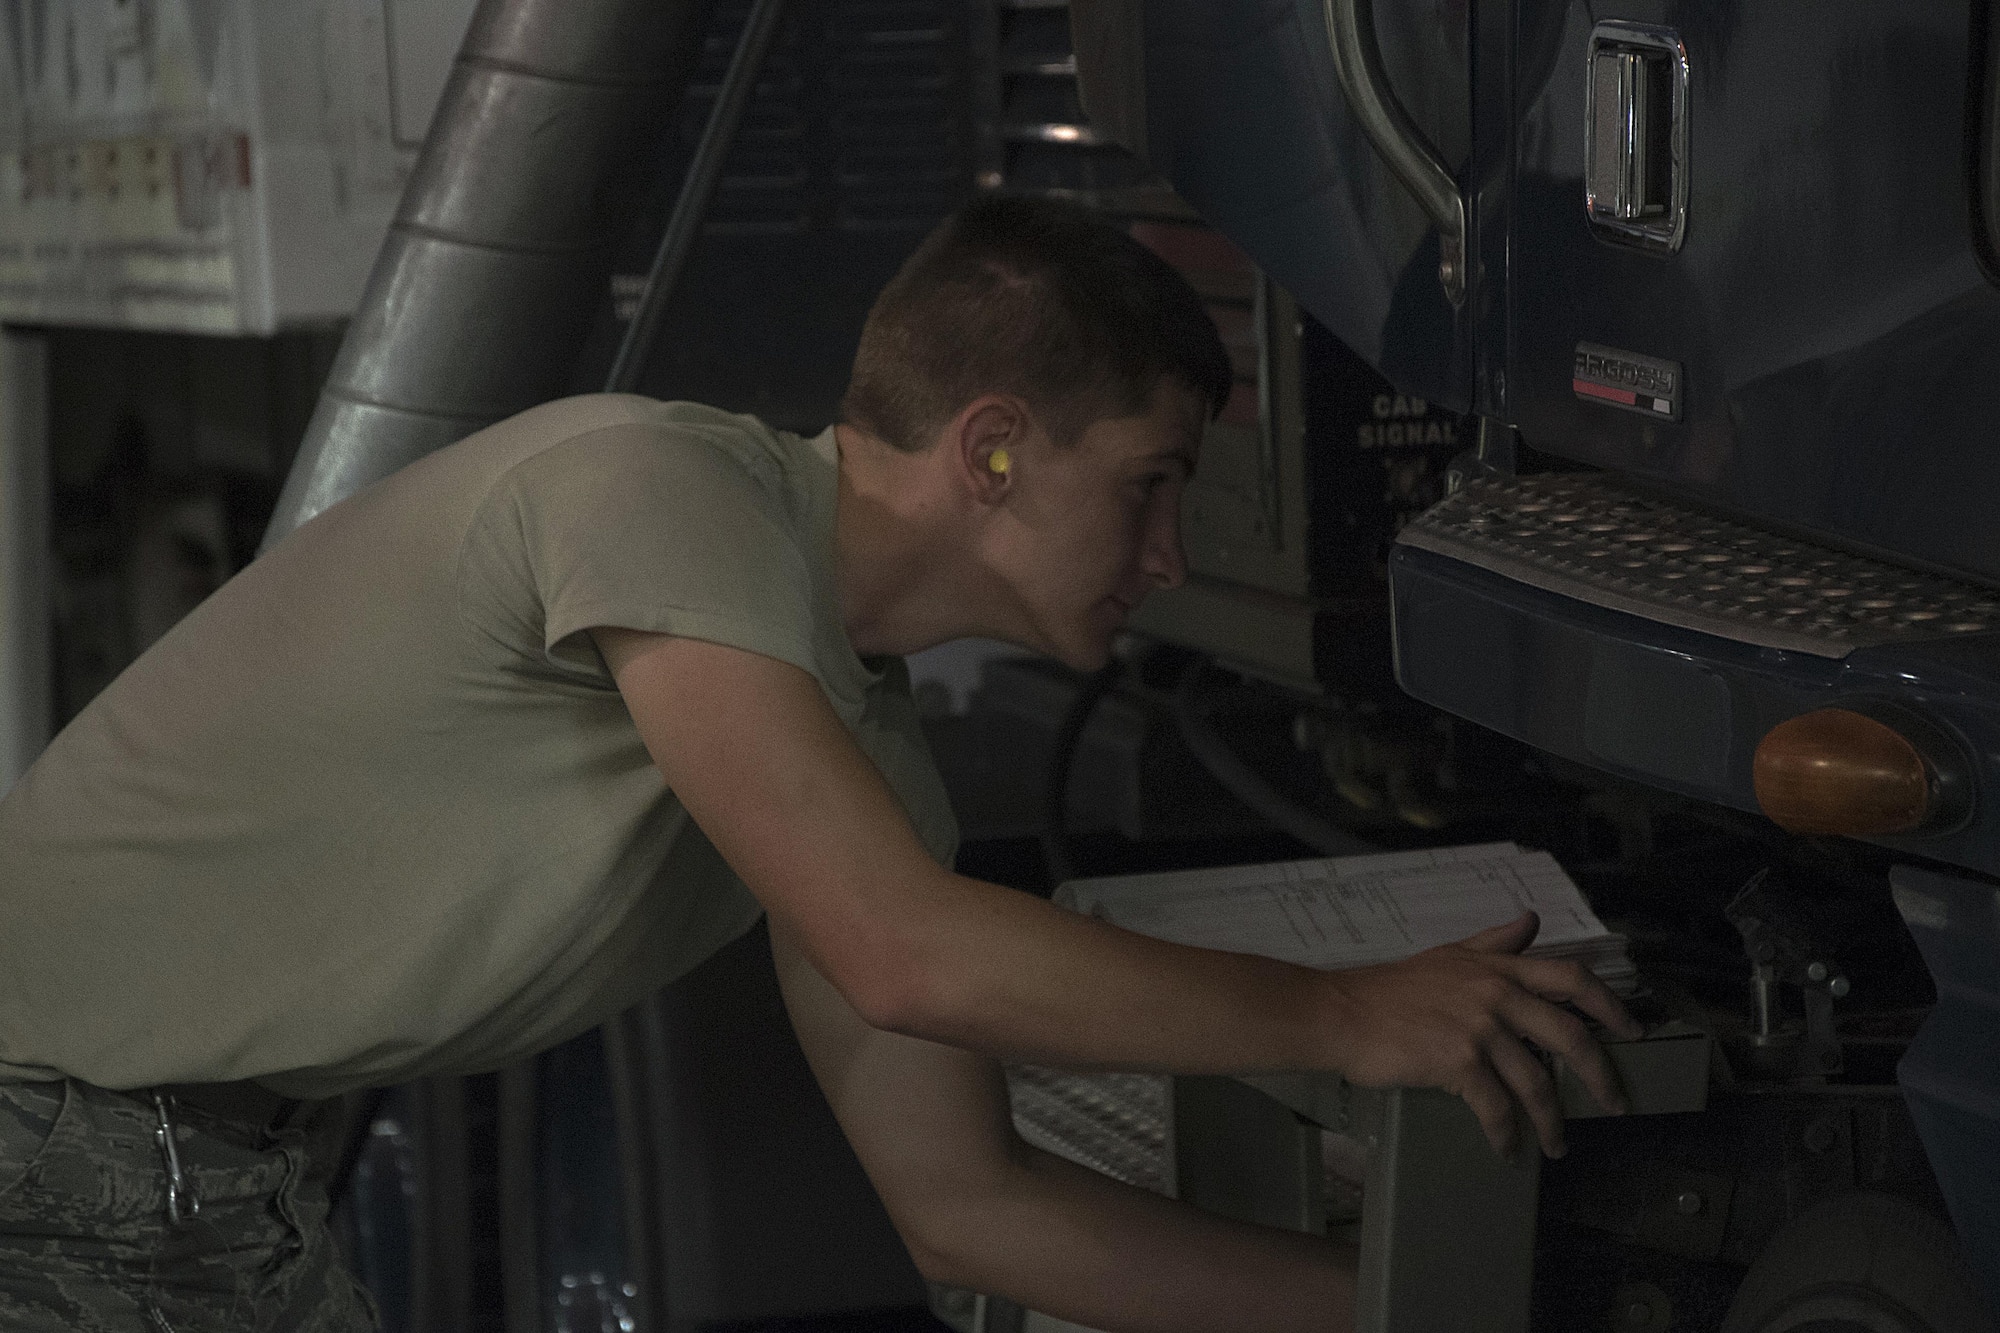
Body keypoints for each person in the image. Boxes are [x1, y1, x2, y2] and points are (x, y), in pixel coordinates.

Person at [0, 196, 1638, 1332]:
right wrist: (1355, 1016)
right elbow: (903, 953)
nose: (1165, 553)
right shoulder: (653, 485)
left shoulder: (859, 749)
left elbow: (968, 1209)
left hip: (181, 1156)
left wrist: (1434, 1298)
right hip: (52, 1129)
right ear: (992, 448)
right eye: (1147, 483)